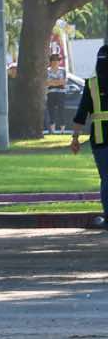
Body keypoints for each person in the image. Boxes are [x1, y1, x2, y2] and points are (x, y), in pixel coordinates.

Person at [68, 50, 108, 229]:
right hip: (100, 138)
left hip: (101, 137)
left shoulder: (92, 84)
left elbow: (81, 113)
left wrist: (75, 138)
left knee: (106, 178)